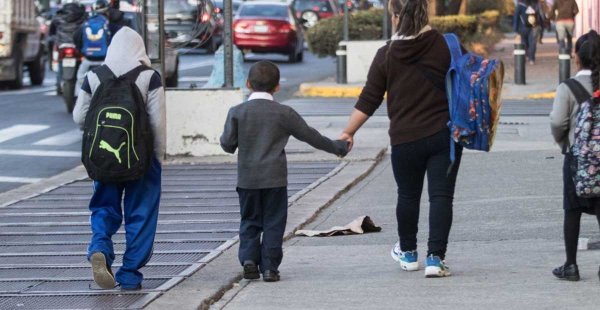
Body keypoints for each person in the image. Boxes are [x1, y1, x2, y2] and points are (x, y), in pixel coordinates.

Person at [339, 0, 463, 278]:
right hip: (444, 135)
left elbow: (369, 99)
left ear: (395, 17)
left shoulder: (387, 54)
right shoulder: (446, 45)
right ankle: (435, 259)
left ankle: (408, 253)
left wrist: (348, 131)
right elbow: (468, 79)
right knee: (441, 197)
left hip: (405, 140)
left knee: (407, 195)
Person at [220, 61, 348, 282]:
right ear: (277, 87)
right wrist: (338, 147)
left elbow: (227, 145)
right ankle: (270, 268)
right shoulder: (284, 113)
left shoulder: (237, 112)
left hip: (248, 180)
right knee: (273, 222)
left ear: (248, 84)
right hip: (275, 180)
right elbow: (311, 136)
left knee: (249, 219)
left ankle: (249, 260)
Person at [72, 27, 166, 290]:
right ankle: (129, 274)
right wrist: (158, 158)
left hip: (103, 156)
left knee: (104, 205)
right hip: (141, 159)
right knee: (141, 213)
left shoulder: (94, 76)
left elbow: (79, 117)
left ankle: (100, 246)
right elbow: (158, 123)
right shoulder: (149, 77)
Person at [549, 30, 600, 282]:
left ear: (577, 58)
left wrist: (564, 143)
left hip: (576, 158)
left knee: (572, 210)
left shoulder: (568, 87)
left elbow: (558, 122)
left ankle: (571, 265)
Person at [49, 0, 86, 92]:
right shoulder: (83, 15)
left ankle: (58, 85)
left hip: (62, 45)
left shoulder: (58, 16)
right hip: (77, 46)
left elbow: (51, 31)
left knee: (59, 64)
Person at [514, 0, 546, 65]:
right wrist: (542, 26)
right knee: (532, 43)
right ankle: (532, 59)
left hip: (523, 27)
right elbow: (541, 16)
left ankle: (525, 56)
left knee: (524, 42)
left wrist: (516, 29)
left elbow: (516, 16)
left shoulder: (520, 4)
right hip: (534, 27)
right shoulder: (536, 4)